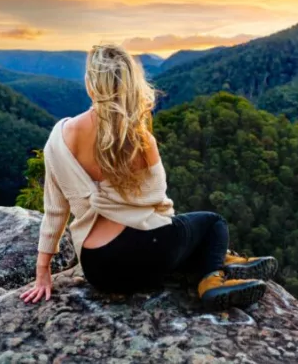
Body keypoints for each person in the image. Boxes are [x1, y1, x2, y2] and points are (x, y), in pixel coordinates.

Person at [20, 44, 278, 310]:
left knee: (181, 239)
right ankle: (211, 279)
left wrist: (43, 272)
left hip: (99, 269)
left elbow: (55, 210)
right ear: (132, 84)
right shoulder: (139, 139)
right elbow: (158, 202)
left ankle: (220, 259)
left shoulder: (59, 139)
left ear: (90, 85)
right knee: (213, 224)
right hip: (149, 256)